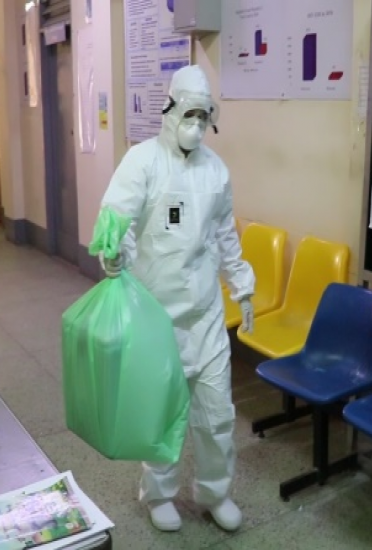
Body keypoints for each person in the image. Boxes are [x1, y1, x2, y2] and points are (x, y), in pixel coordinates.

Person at [98, 65, 255, 533]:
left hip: (205, 315)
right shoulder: (143, 161)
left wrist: (242, 286)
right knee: (163, 414)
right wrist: (114, 254)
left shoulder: (216, 170)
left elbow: (225, 234)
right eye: (190, 115)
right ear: (170, 110)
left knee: (216, 415)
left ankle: (215, 493)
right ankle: (159, 494)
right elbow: (117, 217)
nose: (196, 125)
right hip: (158, 316)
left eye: (204, 117)